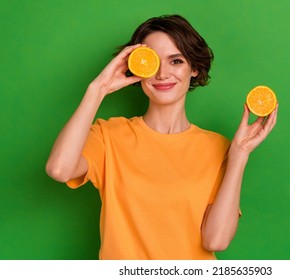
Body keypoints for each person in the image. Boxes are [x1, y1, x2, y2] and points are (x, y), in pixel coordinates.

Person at [46, 14, 278, 260]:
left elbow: (216, 240)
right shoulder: (108, 136)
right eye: (152, 61)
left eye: (176, 61)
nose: (162, 73)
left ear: (195, 69)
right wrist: (98, 89)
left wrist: (239, 155)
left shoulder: (218, 147)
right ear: (136, 67)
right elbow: (59, 169)